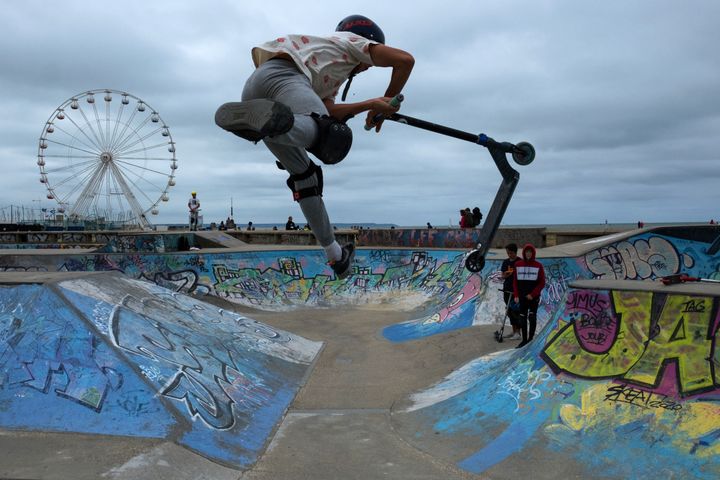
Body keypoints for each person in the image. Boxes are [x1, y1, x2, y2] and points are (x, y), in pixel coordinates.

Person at [215, 15, 414, 279]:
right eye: (369, 65)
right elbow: (404, 61)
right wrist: (388, 104)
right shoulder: (351, 42)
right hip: (284, 78)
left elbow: (328, 112)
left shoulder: (326, 66)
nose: (366, 68)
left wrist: (370, 105)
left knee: (305, 177)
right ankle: (276, 124)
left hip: (256, 89)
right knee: (334, 140)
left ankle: (335, 254)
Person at [513, 243, 546, 348]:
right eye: (526, 252)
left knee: (532, 317)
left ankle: (531, 340)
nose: (528, 254)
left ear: (533, 253)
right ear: (523, 253)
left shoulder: (538, 265)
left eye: (530, 252)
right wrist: (516, 295)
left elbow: (542, 282)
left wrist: (533, 294)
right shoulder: (518, 264)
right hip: (522, 297)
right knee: (522, 318)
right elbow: (515, 282)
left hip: (533, 297)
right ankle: (524, 340)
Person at [500, 243, 521, 340]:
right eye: (508, 253)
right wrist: (507, 274)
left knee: (515, 311)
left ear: (515, 252)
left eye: (511, 253)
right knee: (509, 311)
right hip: (507, 289)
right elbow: (502, 276)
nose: (509, 255)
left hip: (516, 291)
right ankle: (513, 331)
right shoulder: (505, 262)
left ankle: (518, 332)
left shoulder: (520, 261)